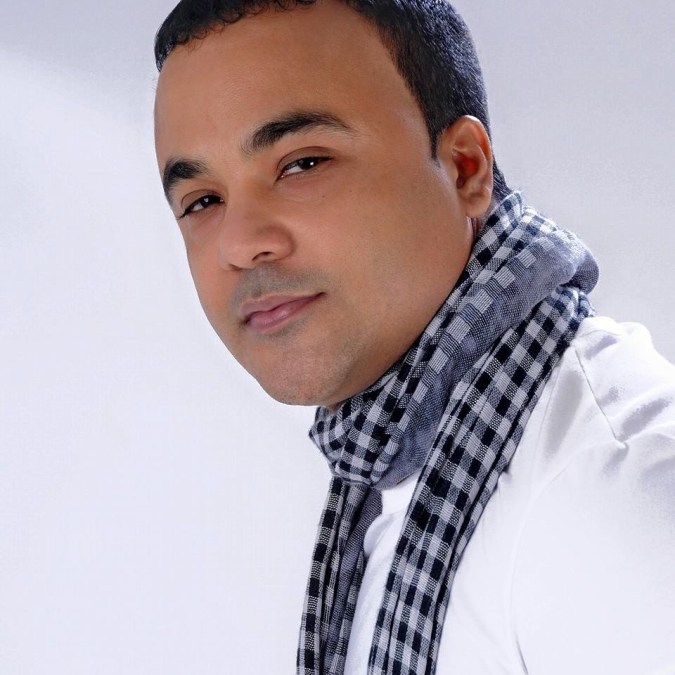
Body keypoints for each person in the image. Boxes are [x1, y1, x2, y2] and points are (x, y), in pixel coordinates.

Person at [152, 1, 675, 673]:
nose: (239, 242)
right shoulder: (386, 470)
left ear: (464, 168)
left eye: (302, 163)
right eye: (202, 201)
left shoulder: (617, 494)